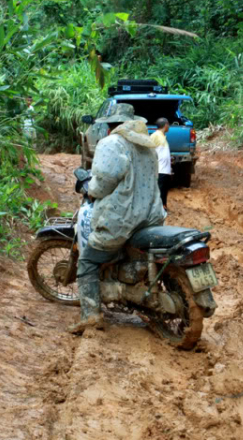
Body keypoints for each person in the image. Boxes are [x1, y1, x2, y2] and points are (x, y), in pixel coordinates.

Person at [68, 104, 166, 334]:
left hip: (122, 220)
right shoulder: (147, 146)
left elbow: (101, 185)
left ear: (111, 125)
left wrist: (89, 188)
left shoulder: (111, 144)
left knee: (88, 261)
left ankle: (91, 316)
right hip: (151, 217)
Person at [150, 117, 172, 211]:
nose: (169, 126)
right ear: (166, 125)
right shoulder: (155, 135)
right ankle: (160, 208)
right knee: (160, 189)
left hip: (165, 169)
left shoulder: (162, 136)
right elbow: (149, 149)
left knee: (164, 189)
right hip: (160, 169)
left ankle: (163, 205)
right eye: (168, 124)